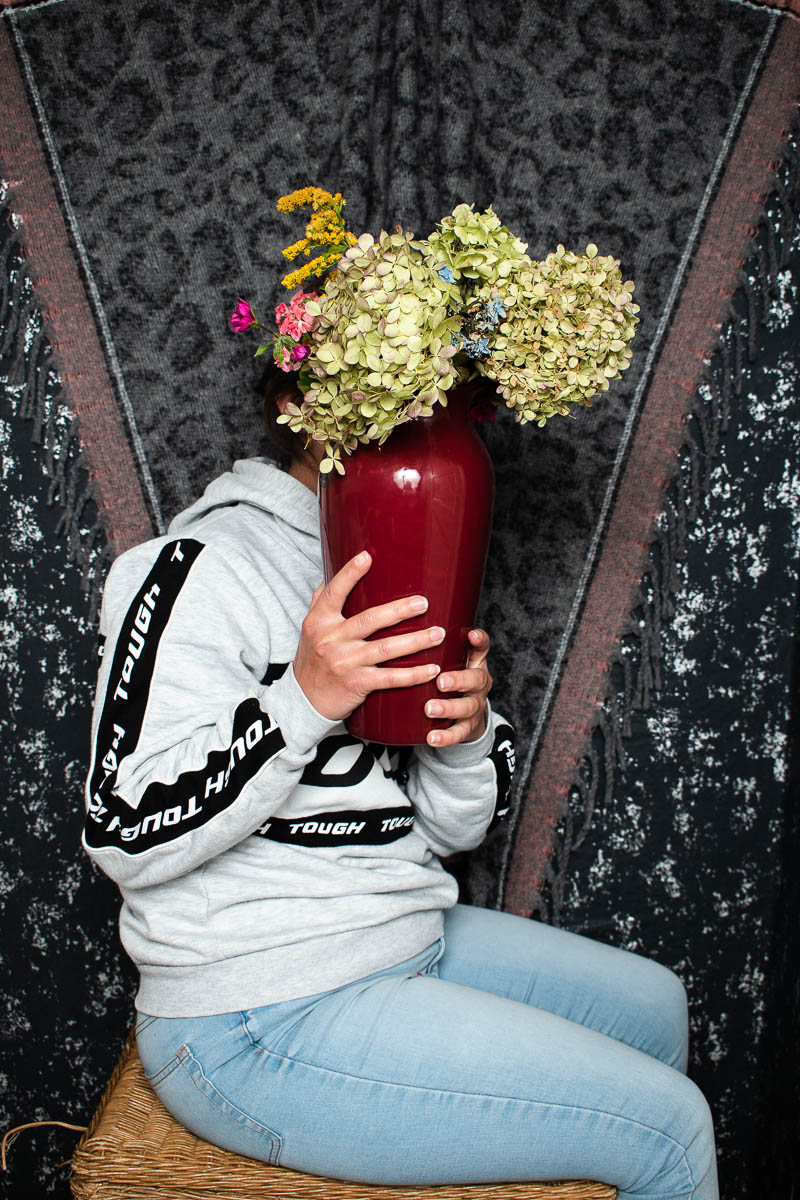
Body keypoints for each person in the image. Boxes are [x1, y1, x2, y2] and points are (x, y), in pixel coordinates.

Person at [83, 366, 719, 1198]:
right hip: (255, 1010)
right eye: (382, 383)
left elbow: (451, 833)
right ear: (295, 407)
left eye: (436, 394)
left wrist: (463, 733)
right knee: (669, 1131)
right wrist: (302, 700)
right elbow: (122, 830)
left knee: (655, 1005)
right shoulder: (196, 566)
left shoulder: (405, 545)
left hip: (398, 933)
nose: (413, 414)